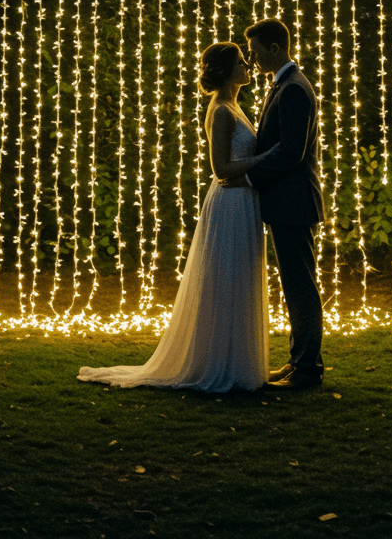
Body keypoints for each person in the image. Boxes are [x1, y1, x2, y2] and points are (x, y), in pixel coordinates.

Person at [76, 42, 277, 391]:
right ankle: (217, 362)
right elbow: (221, 168)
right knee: (226, 278)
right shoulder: (222, 111)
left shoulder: (235, 105)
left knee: (239, 278)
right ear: (229, 69)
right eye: (242, 63)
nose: (249, 67)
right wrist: (265, 159)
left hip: (244, 200)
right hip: (230, 201)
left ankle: (239, 361)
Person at [222, 18, 325, 390]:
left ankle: (307, 370)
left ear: (273, 48)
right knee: (297, 284)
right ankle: (300, 361)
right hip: (288, 202)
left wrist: (247, 179)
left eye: (254, 51)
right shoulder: (286, 84)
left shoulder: (294, 88)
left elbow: (290, 152)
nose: (251, 58)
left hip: (293, 203)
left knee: (300, 286)